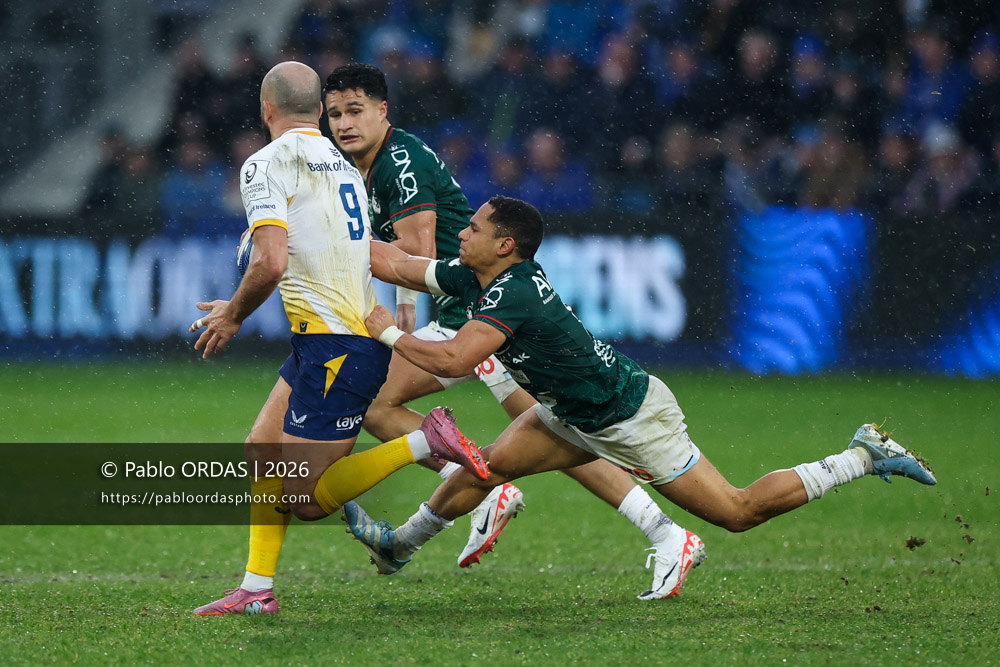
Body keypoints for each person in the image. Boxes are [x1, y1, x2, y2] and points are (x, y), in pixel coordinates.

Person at [344, 195, 938, 599]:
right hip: (572, 413)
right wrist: (329, 237)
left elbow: (453, 359)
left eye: (474, 228)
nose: (463, 232)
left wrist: (385, 329)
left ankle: (860, 457)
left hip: (631, 418)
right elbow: (398, 262)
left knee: (736, 512)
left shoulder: (514, 292)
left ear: (505, 246)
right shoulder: (478, 274)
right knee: (488, 466)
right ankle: (399, 547)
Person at [324, 63, 692, 590]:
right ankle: (480, 489)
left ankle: (655, 529)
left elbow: (417, 249)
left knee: (561, 433)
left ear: (383, 111)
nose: (344, 123)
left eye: (355, 110)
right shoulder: (364, 163)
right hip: (468, 310)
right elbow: (412, 252)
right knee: (559, 433)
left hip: (482, 315)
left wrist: (377, 288)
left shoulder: (397, 162)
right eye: (335, 113)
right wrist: (402, 303)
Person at [188, 61, 487, 616]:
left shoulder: (266, 163)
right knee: (262, 450)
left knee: (304, 499)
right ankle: (256, 590)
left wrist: (234, 312)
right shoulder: (342, 163)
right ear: (318, 112)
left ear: (267, 110)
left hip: (338, 345)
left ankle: (424, 442)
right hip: (325, 338)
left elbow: (272, 261)